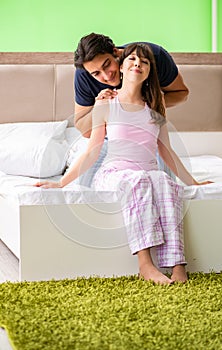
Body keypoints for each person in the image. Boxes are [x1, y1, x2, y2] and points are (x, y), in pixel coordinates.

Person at [35, 43, 211, 285]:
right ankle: (145, 265)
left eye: (144, 63)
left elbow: (166, 149)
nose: (138, 64)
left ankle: (178, 264)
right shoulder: (106, 104)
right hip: (114, 171)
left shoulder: (156, 106)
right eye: (133, 60)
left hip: (148, 169)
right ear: (123, 63)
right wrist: (62, 184)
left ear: (149, 71)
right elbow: (92, 150)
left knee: (165, 182)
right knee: (138, 181)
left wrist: (194, 182)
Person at [72, 33, 189, 187]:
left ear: (116, 52)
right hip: (109, 137)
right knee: (83, 187)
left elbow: (181, 93)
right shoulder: (84, 75)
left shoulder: (154, 57)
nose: (106, 76)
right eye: (96, 73)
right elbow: (84, 129)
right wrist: (101, 107)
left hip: (147, 136)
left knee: (165, 185)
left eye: (107, 65)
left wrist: (145, 105)